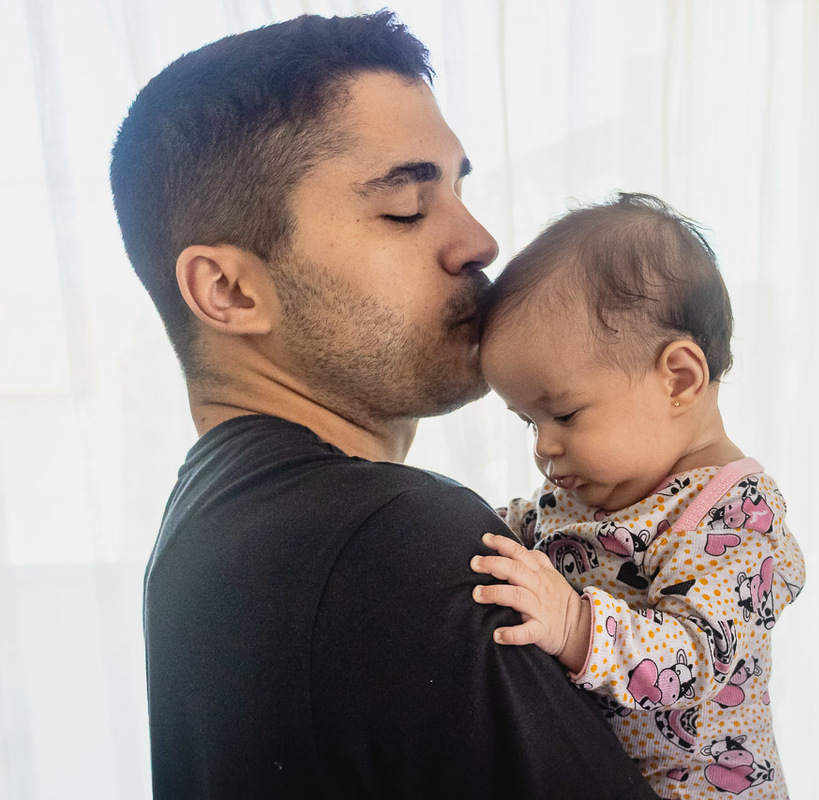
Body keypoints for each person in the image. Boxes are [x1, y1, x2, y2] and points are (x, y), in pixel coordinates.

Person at [109, 12, 660, 799]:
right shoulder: (394, 535)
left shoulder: (206, 522)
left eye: (459, 189)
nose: (478, 241)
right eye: (405, 207)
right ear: (228, 290)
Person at [470, 193, 806, 799]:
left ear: (678, 378)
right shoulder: (595, 486)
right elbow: (524, 530)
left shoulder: (738, 516)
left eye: (565, 413)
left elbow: (695, 656)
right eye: (528, 422)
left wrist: (573, 622)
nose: (545, 447)